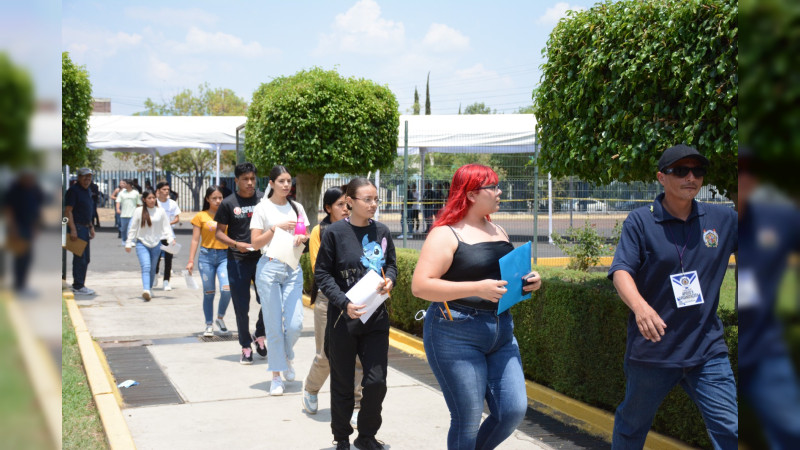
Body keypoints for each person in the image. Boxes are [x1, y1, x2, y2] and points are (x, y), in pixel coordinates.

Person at [608, 144, 738, 449]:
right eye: (680, 171)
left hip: (707, 349)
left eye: (697, 171)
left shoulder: (723, 220)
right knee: (631, 428)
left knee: (732, 429)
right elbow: (621, 270)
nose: (691, 177)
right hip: (653, 350)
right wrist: (640, 307)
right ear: (661, 177)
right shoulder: (640, 221)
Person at [411, 164, 540, 449]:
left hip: (501, 330)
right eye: (492, 187)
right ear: (470, 194)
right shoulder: (446, 234)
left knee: (512, 410)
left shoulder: (498, 228)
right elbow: (420, 286)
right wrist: (476, 288)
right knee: (467, 419)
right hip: (454, 331)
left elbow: (504, 274)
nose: (499, 191)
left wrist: (529, 281)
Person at [315, 177, 397, 450]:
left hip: (376, 319)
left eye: (376, 199)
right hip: (343, 319)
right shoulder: (334, 233)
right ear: (350, 202)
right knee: (342, 382)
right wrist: (343, 302)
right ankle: (341, 438)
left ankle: (367, 435)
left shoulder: (382, 232)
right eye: (368, 199)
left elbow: (392, 266)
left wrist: (390, 281)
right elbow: (322, 274)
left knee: (376, 382)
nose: (374, 204)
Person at [737, 146, 800, 448]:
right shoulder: (718, 222)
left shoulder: (779, 219)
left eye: (751, 169)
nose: (744, 177)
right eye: (738, 170)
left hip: (764, 349)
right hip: (715, 349)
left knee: (791, 431)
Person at [302, 186, 364, 422]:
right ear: (328, 208)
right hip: (329, 300)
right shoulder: (321, 231)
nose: (346, 209)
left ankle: (357, 405)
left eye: (347, 203)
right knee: (327, 354)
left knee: (358, 356)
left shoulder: (359, 228)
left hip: (357, 298)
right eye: (340, 204)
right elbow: (321, 270)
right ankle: (311, 389)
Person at [250, 165, 310, 396]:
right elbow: (255, 243)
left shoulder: (297, 207)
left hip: (292, 267)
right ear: (272, 183)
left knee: (295, 324)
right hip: (269, 267)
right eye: (282, 181)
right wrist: (275, 229)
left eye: (289, 181)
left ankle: (286, 355)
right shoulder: (262, 208)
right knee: (273, 325)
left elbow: (303, 232)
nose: (287, 185)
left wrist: (301, 237)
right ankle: (276, 375)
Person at [214, 162, 267, 365]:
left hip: (262, 258)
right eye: (245, 179)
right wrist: (237, 244)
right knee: (241, 306)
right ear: (236, 180)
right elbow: (219, 232)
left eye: (252, 178)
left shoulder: (264, 200)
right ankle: (245, 345)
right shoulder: (228, 203)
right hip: (238, 260)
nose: (250, 182)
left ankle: (259, 335)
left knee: (268, 301)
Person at [186, 186, 232, 337]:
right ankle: (208, 324)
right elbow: (194, 240)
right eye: (214, 198)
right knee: (209, 292)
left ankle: (220, 318)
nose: (218, 201)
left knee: (226, 289)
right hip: (206, 257)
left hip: (224, 256)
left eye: (220, 198)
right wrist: (191, 260)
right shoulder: (201, 216)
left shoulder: (227, 214)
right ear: (207, 199)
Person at [125, 190, 176, 301]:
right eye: (149, 198)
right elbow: (133, 228)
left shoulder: (160, 211)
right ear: (144, 199)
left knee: (153, 269)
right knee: (146, 267)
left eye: (153, 198)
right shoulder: (139, 211)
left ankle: (150, 288)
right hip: (142, 243)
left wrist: (170, 239)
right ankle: (146, 289)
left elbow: (166, 227)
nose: (152, 200)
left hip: (156, 244)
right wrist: (129, 242)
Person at [3, 170, 44, 296]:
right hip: (17, 227)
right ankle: (18, 285)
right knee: (19, 257)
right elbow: (8, 210)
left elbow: (37, 209)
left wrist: (36, 227)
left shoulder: (34, 189)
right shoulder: (14, 190)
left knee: (27, 257)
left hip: (29, 227)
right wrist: (13, 228)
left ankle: (21, 284)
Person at [65, 167, 97, 296]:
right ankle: (78, 286)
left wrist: (91, 226)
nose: (87, 179)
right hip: (77, 228)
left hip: (85, 227)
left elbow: (87, 210)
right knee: (80, 258)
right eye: (84, 177)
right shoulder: (73, 191)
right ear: (78, 177)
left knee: (86, 258)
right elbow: (68, 211)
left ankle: (80, 284)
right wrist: (72, 229)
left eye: (89, 177)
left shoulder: (87, 190)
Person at [154, 181, 181, 291]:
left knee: (168, 259)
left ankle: (166, 281)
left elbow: (177, 218)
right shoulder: (154, 202)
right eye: (164, 190)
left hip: (169, 234)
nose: (166, 192)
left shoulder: (172, 203)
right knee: (156, 258)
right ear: (158, 191)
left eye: (167, 190)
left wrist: (168, 223)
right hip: (155, 235)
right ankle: (155, 275)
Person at [116, 179, 141, 246]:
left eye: (125, 184)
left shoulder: (136, 193)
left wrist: (139, 212)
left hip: (133, 214)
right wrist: (118, 208)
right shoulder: (121, 193)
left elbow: (138, 203)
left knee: (131, 228)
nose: (123, 185)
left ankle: (131, 241)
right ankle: (124, 240)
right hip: (123, 214)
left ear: (129, 185)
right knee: (123, 229)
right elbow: (118, 201)